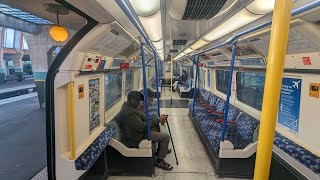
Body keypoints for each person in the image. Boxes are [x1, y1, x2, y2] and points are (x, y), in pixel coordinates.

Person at [115, 91, 173, 170]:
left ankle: (161, 151)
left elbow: (143, 119)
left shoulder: (131, 107)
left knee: (156, 126)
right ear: (131, 99)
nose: (140, 103)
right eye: (138, 100)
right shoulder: (129, 113)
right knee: (165, 137)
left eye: (140, 101)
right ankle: (159, 161)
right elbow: (142, 127)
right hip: (136, 136)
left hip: (137, 131)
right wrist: (158, 119)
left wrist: (158, 119)